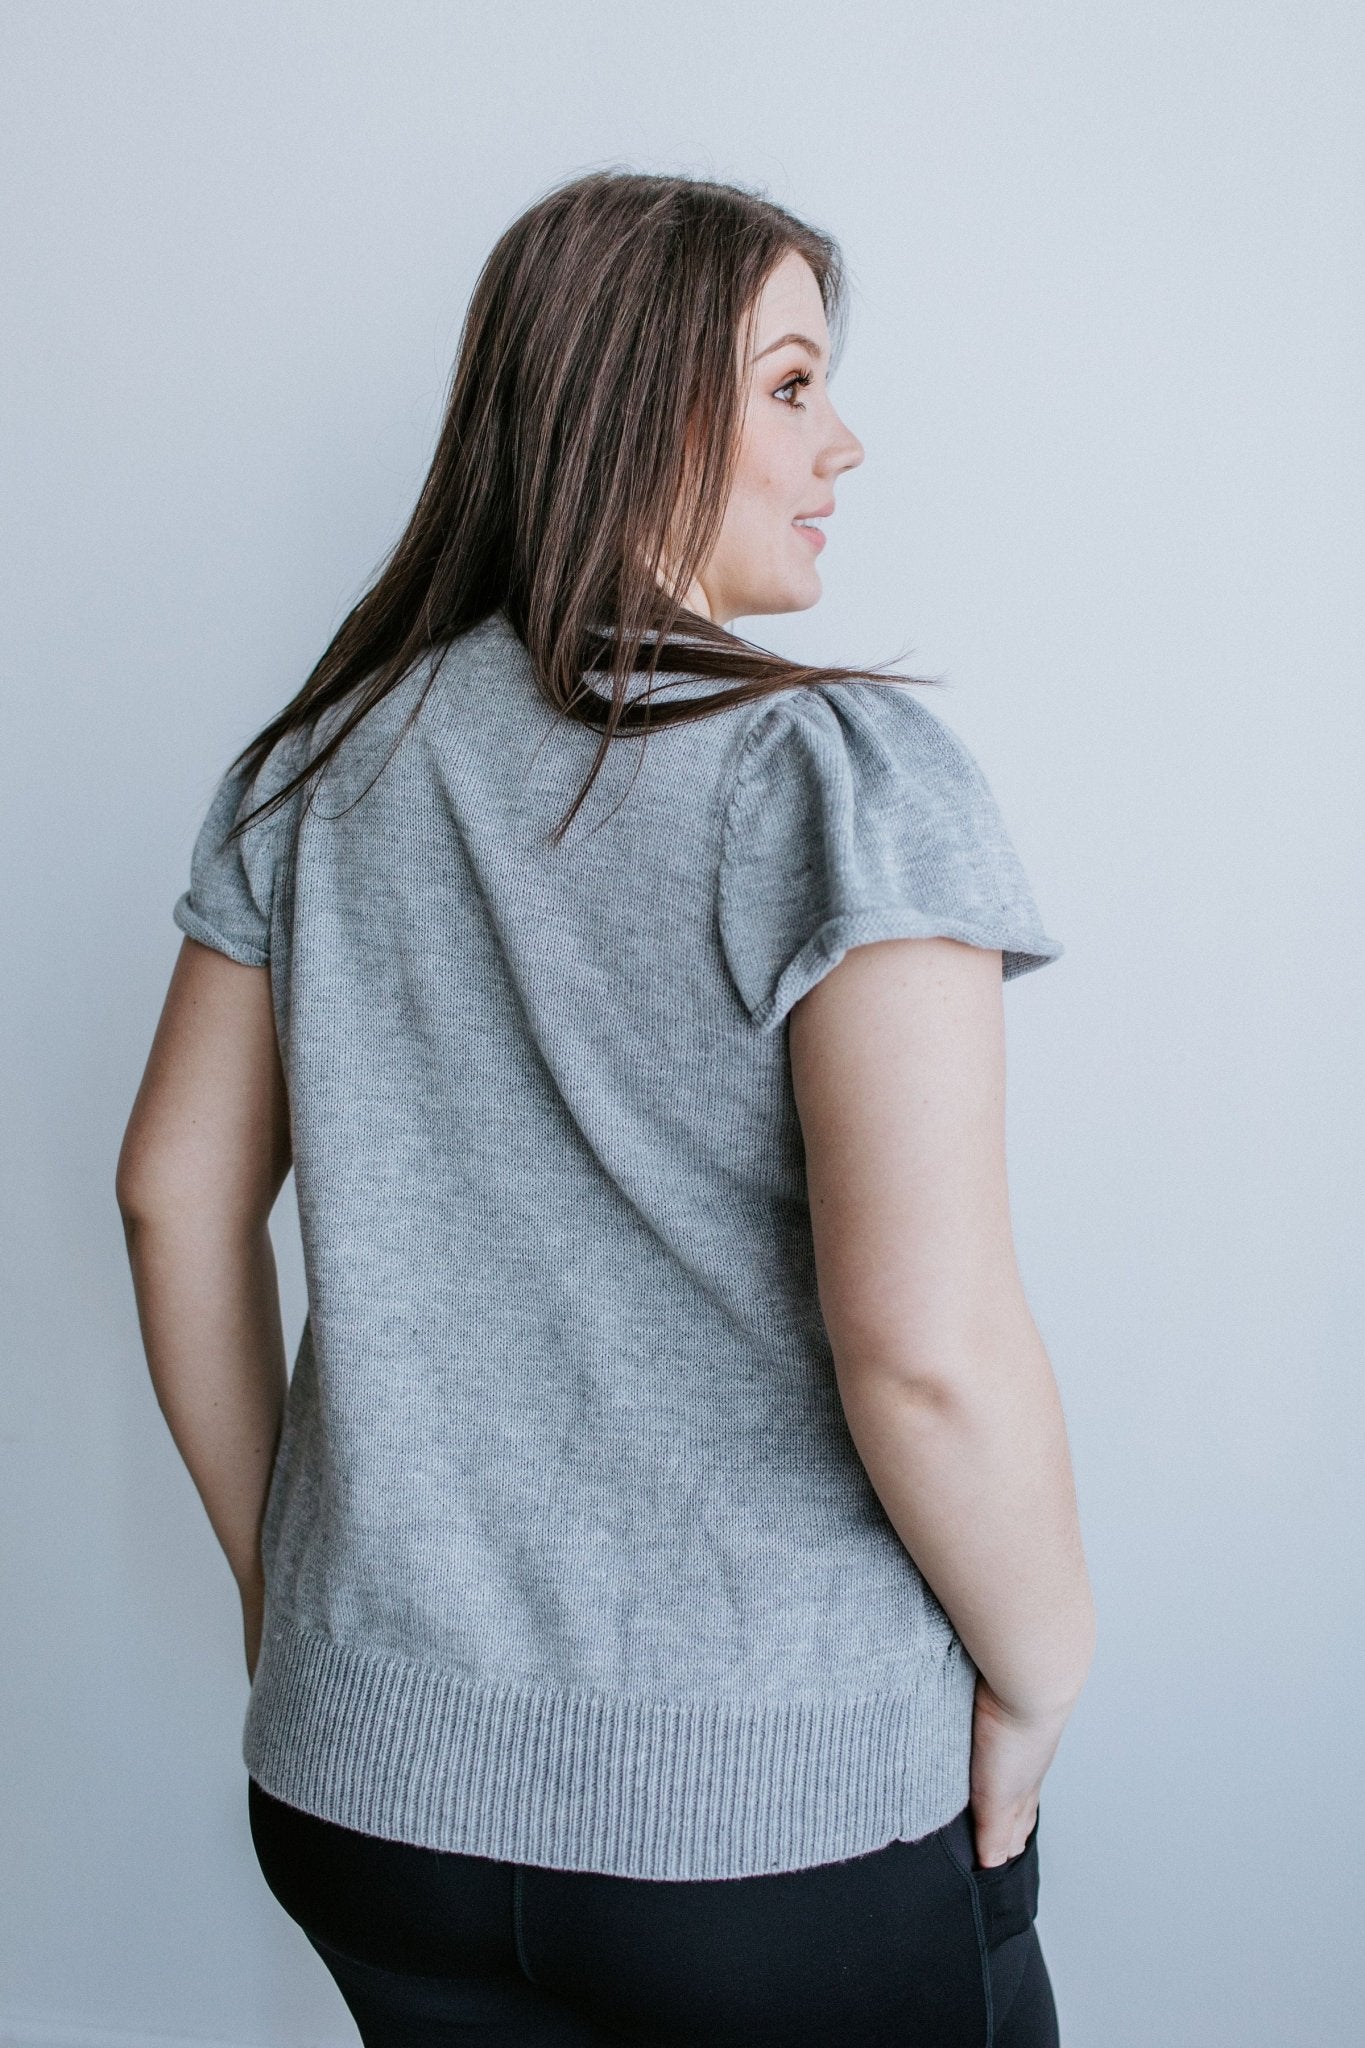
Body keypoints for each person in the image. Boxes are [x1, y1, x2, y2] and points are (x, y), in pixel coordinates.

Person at [116, 170, 1096, 2047]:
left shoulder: (313, 771)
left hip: (366, 1799)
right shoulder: (834, 776)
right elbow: (926, 1352)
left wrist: (296, 1607)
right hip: (771, 1827)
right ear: (642, 408)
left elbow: (173, 1197)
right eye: (792, 385)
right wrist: (1042, 1674)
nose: (842, 441)